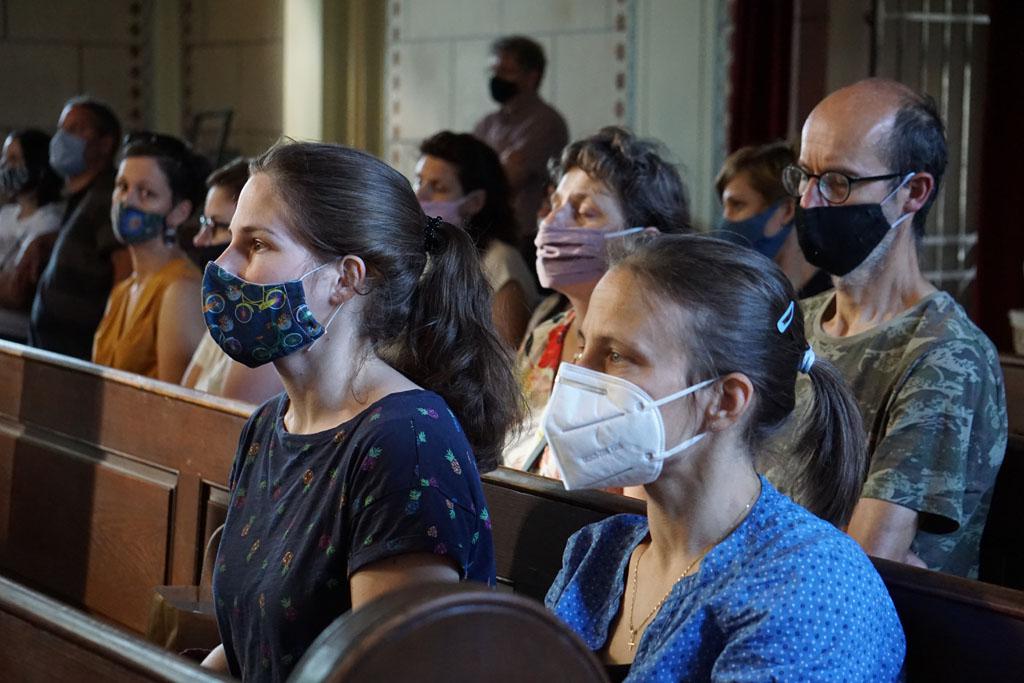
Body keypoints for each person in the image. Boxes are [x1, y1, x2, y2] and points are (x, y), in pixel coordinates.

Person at [200, 142, 521, 681]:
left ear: (345, 279)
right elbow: (250, 644)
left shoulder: (407, 441)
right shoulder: (268, 425)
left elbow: (389, 669)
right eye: (231, 241)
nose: (222, 266)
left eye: (256, 244)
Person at [544, 234, 904, 681]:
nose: (575, 375)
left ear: (726, 401)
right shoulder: (599, 551)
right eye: (584, 347)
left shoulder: (811, 584)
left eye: (616, 355)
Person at [773, 78, 1006, 578]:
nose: (809, 202)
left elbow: (866, 561)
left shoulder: (946, 355)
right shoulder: (795, 319)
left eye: (837, 182)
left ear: (912, 193)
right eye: (805, 177)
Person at [511, 126, 690, 477]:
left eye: (584, 212)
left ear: (643, 242)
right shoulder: (545, 337)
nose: (550, 223)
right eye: (555, 205)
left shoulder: (655, 358)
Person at [91, 132, 209, 381]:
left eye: (146, 193)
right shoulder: (123, 290)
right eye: (122, 186)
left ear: (179, 212)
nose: (127, 201)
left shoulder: (180, 291)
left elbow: (172, 398)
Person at [415, 131, 540, 345]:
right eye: (419, 181)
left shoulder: (500, 262)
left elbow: (505, 357)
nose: (419, 196)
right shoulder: (423, 253)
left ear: (475, 202)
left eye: (438, 187)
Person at [30, 96, 127, 360]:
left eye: (75, 129)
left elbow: (123, 269)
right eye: (62, 128)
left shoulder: (108, 196)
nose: (62, 138)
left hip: (84, 356)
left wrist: (111, 340)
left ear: (105, 143)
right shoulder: (82, 198)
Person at [181, 158, 282, 402]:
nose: (199, 240)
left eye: (216, 227)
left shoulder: (267, 332)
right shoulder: (226, 312)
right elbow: (184, 394)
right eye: (204, 222)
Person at [473, 35, 569, 248]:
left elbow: (507, 179)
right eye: (494, 71)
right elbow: (466, 176)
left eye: (506, 71)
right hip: (489, 233)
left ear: (531, 77)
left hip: (525, 236)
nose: (497, 78)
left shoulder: (546, 121)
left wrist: (484, 172)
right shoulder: (487, 123)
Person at [715, 141, 831, 298]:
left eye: (737, 205)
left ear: (787, 211)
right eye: (725, 206)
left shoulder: (835, 300)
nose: (726, 218)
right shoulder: (746, 295)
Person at [0, 130, 65, 321]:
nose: (4, 165)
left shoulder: (50, 221)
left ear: (37, 167)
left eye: (13, 159)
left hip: (17, 328)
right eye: (4, 157)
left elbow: (18, 289)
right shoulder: (6, 214)